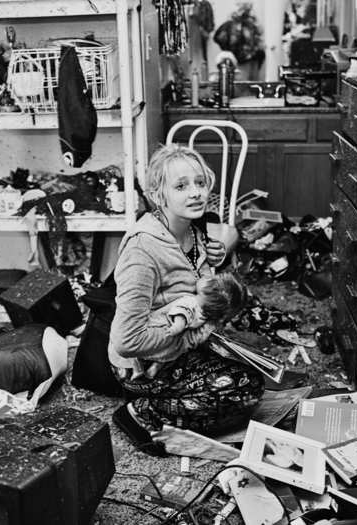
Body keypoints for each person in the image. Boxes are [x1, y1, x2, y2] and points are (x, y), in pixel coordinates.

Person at [109, 143, 265, 456]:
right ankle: (140, 414)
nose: (195, 193)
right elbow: (127, 340)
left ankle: (172, 401)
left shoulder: (196, 232)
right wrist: (191, 339)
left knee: (252, 376)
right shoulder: (143, 251)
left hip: (176, 346)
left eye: (200, 183)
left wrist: (216, 264)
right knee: (243, 390)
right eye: (180, 186)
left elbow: (196, 291)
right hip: (146, 363)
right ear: (158, 193)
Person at [129, 272, 248, 380]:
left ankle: (137, 369)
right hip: (173, 351)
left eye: (210, 279)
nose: (205, 277)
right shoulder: (207, 318)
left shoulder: (190, 301)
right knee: (163, 360)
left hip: (161, 332)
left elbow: (183, 314)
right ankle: (155, 367)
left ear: (208, 291)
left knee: (132, 353)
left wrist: (177, 327)